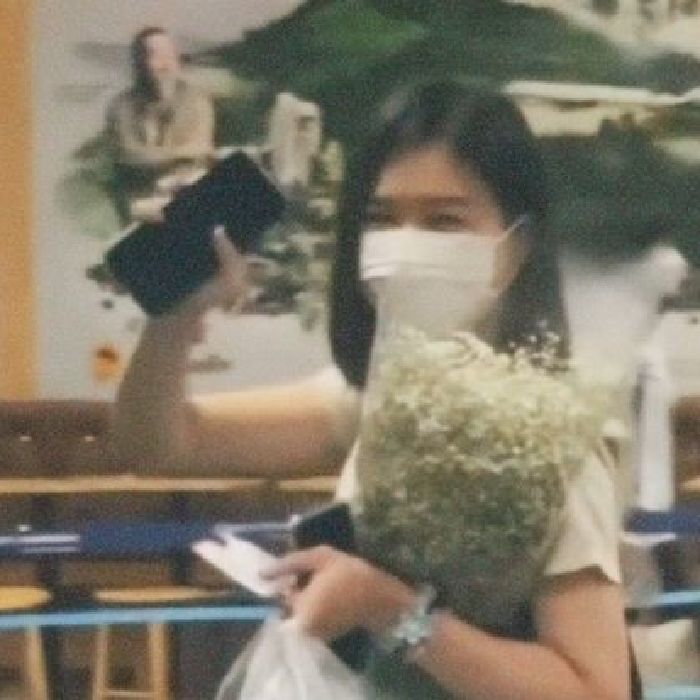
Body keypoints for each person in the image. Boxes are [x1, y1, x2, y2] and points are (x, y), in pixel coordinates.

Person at [116, 81, 634, 700]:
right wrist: (175, 317)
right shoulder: (375, 402)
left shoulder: (551, 443)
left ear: (515, 246)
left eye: (445, 220)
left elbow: (595, 689)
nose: (407, 242)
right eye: (382, 218)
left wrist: (390, 610)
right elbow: (162, 443)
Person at [106, 26, 215, 223]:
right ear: (139, 64)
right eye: (155, 55)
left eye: (170, 54)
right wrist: (178, 154)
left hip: (187, 189)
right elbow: (128, 156)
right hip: (142, 197)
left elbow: (200, 148)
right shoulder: (121, 107)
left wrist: (161, 158)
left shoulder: (197, 100)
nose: (165, 63)